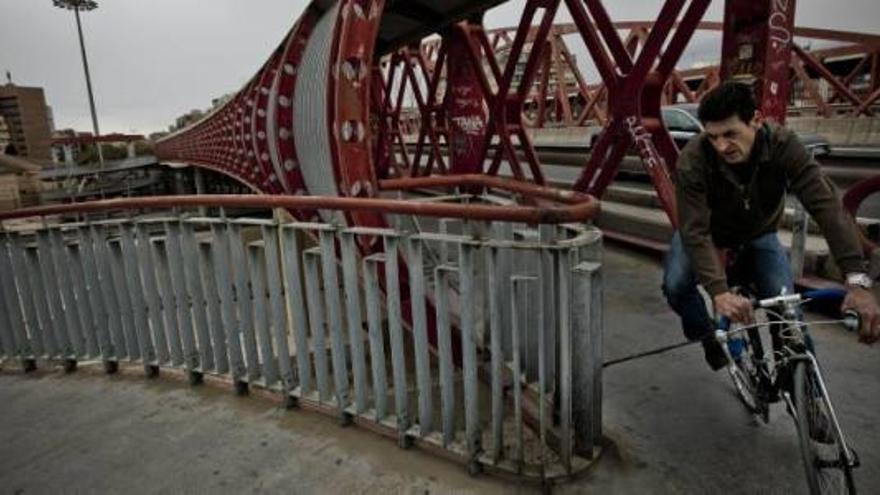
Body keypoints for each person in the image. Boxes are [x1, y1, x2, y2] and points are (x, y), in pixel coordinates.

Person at [662, 81, 879, 370]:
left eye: (730, 134)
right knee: (676, 285)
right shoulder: (694, 159)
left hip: (758, 231)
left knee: (789, 317)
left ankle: (804, 388)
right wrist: (719, 292)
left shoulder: (783, 144)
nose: (722, 146)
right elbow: (695, 230)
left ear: (756, 120)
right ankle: (709, 338)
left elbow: (826, 207)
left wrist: (856, 279)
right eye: (713, 137)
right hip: (707, 233)